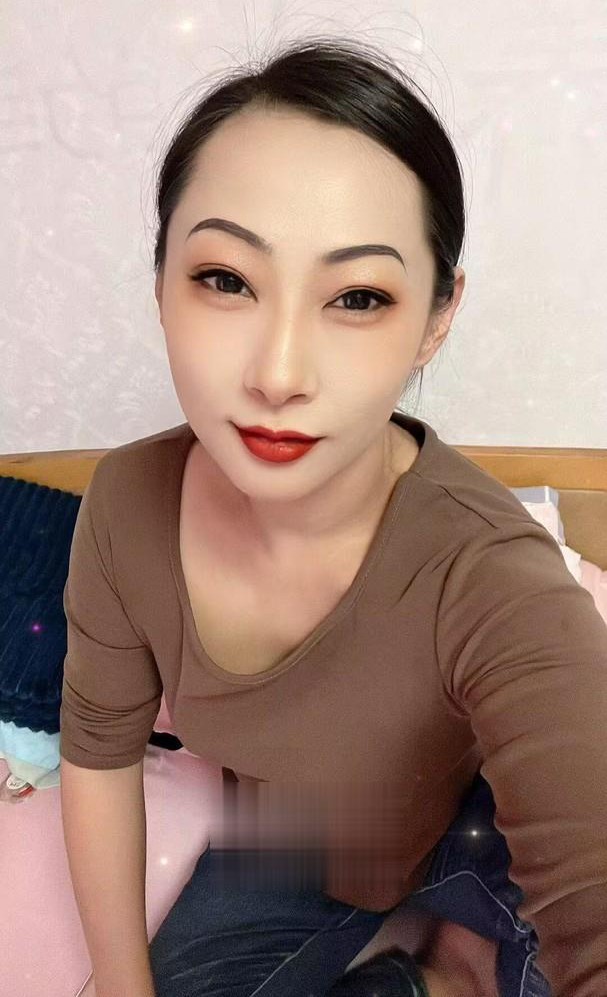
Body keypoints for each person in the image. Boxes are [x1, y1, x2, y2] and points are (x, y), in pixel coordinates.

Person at [59, 35, 607, 997]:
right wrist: (119, 982)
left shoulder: (493, 575)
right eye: (225, 279)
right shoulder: (126, 505)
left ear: (436, 316)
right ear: (160, 283)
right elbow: (98, 752)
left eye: (357, 296)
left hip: (488, 838)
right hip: (304, 849)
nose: (278, 374)